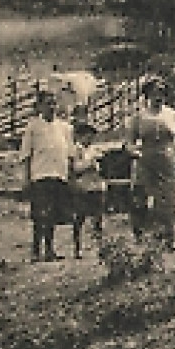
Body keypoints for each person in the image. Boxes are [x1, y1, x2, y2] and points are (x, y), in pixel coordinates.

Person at [127, 78, 175, 251]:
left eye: (161, 92)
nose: (158, 96)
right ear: (147, 95)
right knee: (140, 198)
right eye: (154, 93)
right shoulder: (139, 117)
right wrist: (134, 151)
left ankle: (169, 238)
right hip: (145, 159)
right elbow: (129, 141)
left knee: (168, 199)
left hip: (168, 159)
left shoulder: (173, 115)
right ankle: (141, 238)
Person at [18, 91, 72, 262]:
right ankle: (36, 251)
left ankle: (49, 249)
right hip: (41, 175)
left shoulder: (64, 127)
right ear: (40, 106)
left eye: (54, 103)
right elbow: (26, 155)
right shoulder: (33, 127)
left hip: (58, 174)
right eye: (48, 103)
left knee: (53, 214)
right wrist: (26, 178)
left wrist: (70, 175)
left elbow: (69, 153)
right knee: (40, 215)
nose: (52, 107)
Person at [68, 104, 106, 259]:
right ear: (80, 136)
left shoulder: (94, 149)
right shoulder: (76, 150)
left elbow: (101, 168)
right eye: (87, 135)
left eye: (92, 135)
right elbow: (76, 168)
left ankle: (100, 248)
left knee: (98, 218)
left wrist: (99, 164)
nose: (90, 138)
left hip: (96, 187)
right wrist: (90, 163)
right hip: (83, 188)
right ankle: (77, 248)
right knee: (80, 218)